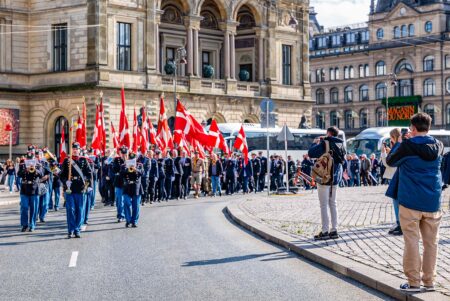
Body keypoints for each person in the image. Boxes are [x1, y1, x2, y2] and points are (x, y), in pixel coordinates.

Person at [386, 113, 444, 292]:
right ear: (429, 127)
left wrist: (402, 142)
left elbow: (390, 161)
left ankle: (413, 282)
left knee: (411, 241)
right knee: (431, 243)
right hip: (433, 201)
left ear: (412, 128)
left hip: (410, 200)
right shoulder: (439, 145)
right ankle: (429, 281)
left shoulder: (407, 146)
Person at [308, 126, 346, 240]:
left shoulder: (326, 143)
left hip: (325, 178)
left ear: (328, 133)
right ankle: (334, 230)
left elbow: (311, 153)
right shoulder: (341, 144)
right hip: (335, 179)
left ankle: (324, 231)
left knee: (324, 205)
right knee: (333, 203)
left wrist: (315, 143)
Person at [60, 142, 93, 239]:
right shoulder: (67, 161)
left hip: (80, 188)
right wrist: (66, 182)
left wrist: (87, 185)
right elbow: (62, 175)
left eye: (76, 149)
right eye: (73, 149)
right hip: (70, 188)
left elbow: (89, 174)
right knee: (70, 210)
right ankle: (70, 230)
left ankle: (77, 230)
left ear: (79, 150)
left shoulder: (84, 161)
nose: (75, 150)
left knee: (79, 210)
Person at [381, 128, 402, 236]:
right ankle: (399, 222)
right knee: (397, 200)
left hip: (397, 176)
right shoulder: (397, 147)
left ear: (394, 137)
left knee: (396, 200)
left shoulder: (398, 147)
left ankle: (399, 222)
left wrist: (383, 153)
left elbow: (388, 163)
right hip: (397, 176)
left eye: (391, 138)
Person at [18, 153, 42, 232]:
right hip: (24, 189)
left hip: (34, 189)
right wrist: (25, 170)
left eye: (31, 159)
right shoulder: (22, 164)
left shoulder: (38, 164)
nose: (30, 161)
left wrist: (35, 169)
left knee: (33, 208)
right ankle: (24, 225)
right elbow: (19, 174)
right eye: (28, 159)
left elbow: (41, 174)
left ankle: (32, 225)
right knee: (24, 208)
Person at [121, 152, 144, 228]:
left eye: (133, 159)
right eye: (130, 159)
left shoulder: (140, 165)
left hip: (136, 187)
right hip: (127, 187)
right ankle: (128, 220)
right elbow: (122, 173)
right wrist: (127, 169)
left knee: (136, 206)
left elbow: (142, 173)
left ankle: (134, 221)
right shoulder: (124, 165)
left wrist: (135, 169)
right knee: (126, 203)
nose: (131, 160)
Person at [112, 146, 128, 222]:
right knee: (119, 200)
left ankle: (126, 214)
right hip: (119, 182)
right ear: (120, 153)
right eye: (122, 153)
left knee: (127, 200)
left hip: (128, 183)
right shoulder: (116, 160)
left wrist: (126, 162)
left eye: (125, 153)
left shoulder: (131, 159)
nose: (123, 154)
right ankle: (120, 215)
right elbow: (114, 170)